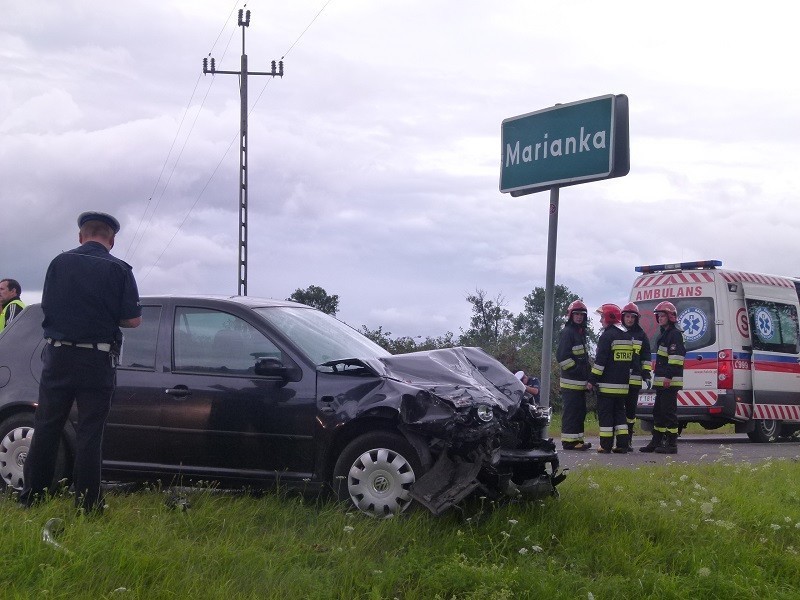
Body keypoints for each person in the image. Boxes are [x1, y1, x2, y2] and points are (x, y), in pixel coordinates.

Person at [19, 211, 142, 513]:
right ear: (111, 240)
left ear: (80, 236)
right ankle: (88, 505)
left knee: (47, 425)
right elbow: (133, 320)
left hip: (58, 355)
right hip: (96, 359)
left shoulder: (59, 264)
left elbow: (48, 306)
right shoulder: (120, 270)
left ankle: (33, 496)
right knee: (90, 431)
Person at [640, 301, 685, 454]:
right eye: (658, 316)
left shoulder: (675, 334)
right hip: (662, 381)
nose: (659, 318)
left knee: (668, 413)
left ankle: (672, 443)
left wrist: (668, 377)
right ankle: (656, 441)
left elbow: (676, 359)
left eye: (662, 315)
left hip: (669, 381)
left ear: (670, 317)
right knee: (658, 412)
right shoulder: (665, 334)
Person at [588, 304, 634, 453]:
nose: (601, 320)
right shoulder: (626, 336)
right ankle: (622, 445)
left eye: (602, 317)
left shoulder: (607, 336)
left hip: (607, 386)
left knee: (606, 415)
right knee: (620, 415)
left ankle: (605, 445)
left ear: (609, 317)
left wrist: (592, 380)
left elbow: (600, 363)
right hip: (623, 386)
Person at [556, 300, 592, 450]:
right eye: (576, 314)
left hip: (579, 382)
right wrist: (578, 370)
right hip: (571, 382)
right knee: (571, 413)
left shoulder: (579, 333)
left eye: (581, 315)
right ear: (571, 315)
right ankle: (569, 442)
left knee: (579, 412)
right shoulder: (567, 332)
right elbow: (562, 358)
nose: (579, 317)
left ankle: (577, 440)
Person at [622, 302, 651, 452]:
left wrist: (646, 373)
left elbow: (646, 356)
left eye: (632, 317)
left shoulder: (641, 335)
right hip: (618, 380)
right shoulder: (618, 332)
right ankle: (620, 439)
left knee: (631, 411)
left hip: (634, 379)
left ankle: (628, 438)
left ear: (636, 318)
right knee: (619, 410)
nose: (630, 320)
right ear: (623, 317)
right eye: (627, 317)